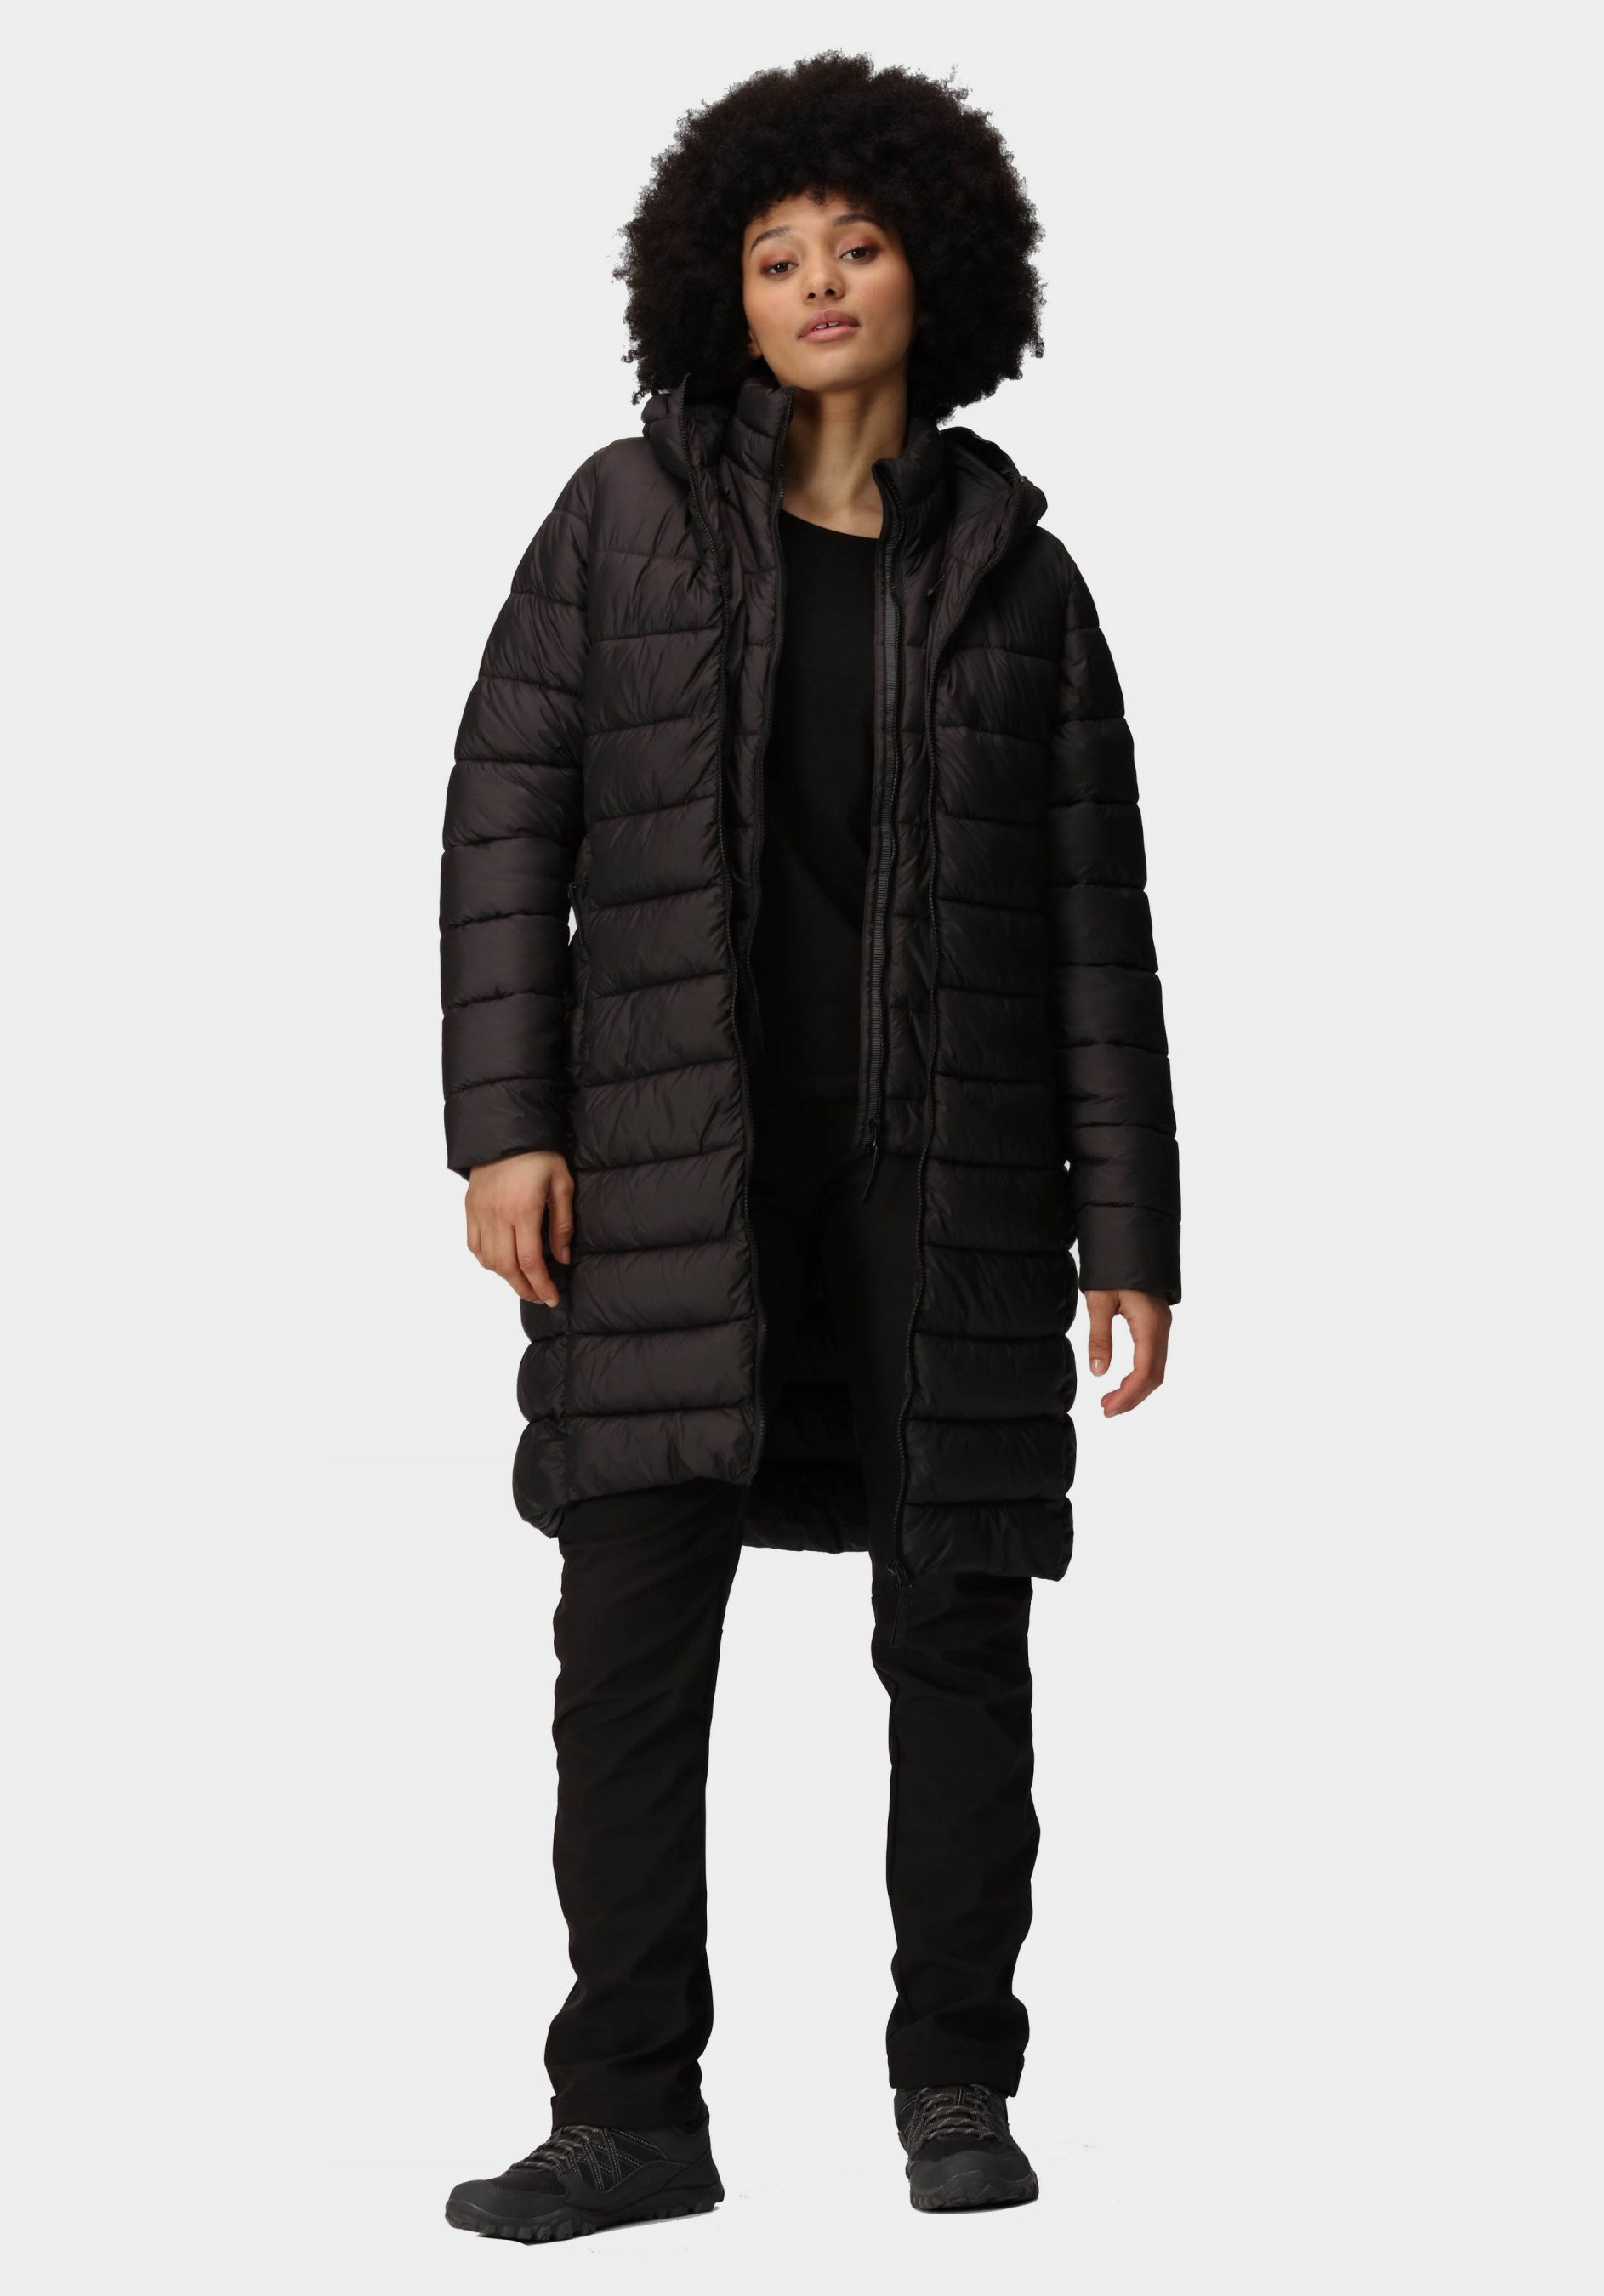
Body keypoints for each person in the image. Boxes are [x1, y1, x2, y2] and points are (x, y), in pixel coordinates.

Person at [438, 51, 1180, 2243]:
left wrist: (1130, 1231)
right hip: (667, 1166)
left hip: (948, 1181)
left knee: (958, 1635)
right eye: (776, 256)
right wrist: (505, 1128)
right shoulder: (623, 520)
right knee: (626, 1643)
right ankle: (628, 2116)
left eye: (857, 244)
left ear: (938, 274)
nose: (819, 282)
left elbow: (1097, 928)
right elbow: (506, 827)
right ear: (722, 291)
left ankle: (957, 2083)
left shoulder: (1025, 581)